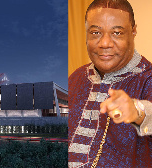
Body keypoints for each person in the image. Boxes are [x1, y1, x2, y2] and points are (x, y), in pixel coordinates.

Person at [68, 0, 152, 167]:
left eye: (117, 33)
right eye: (95, 32)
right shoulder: (77, 76)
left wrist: (139, 113)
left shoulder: (147, 78)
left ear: (133, 31)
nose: (105, 43)